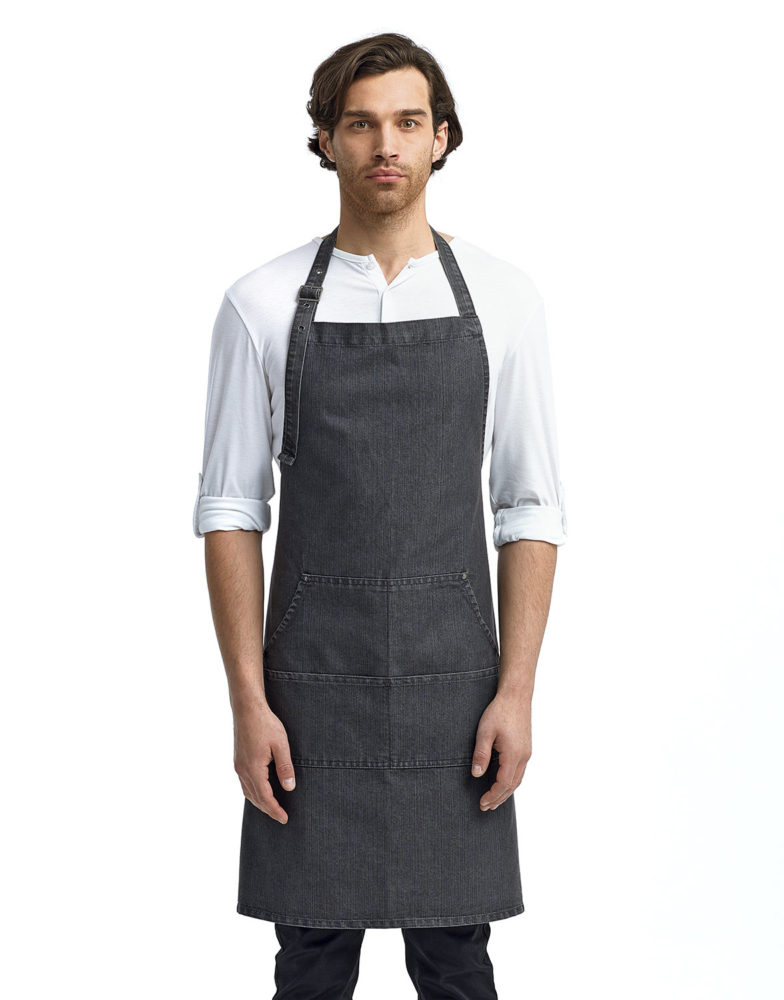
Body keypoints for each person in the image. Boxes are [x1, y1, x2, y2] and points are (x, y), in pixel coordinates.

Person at [192, 31, 568, 1000]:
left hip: (457, 691)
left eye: (407, 121)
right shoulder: (260, 304)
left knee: (456, 963)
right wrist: (247, 703)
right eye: (360, 124)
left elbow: (528, 505)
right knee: (310, 963)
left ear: (441, 137)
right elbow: (231, 510)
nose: (385, 145)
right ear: (326, 140)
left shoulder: (505, 299)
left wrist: (517, 691)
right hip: (308, 695)